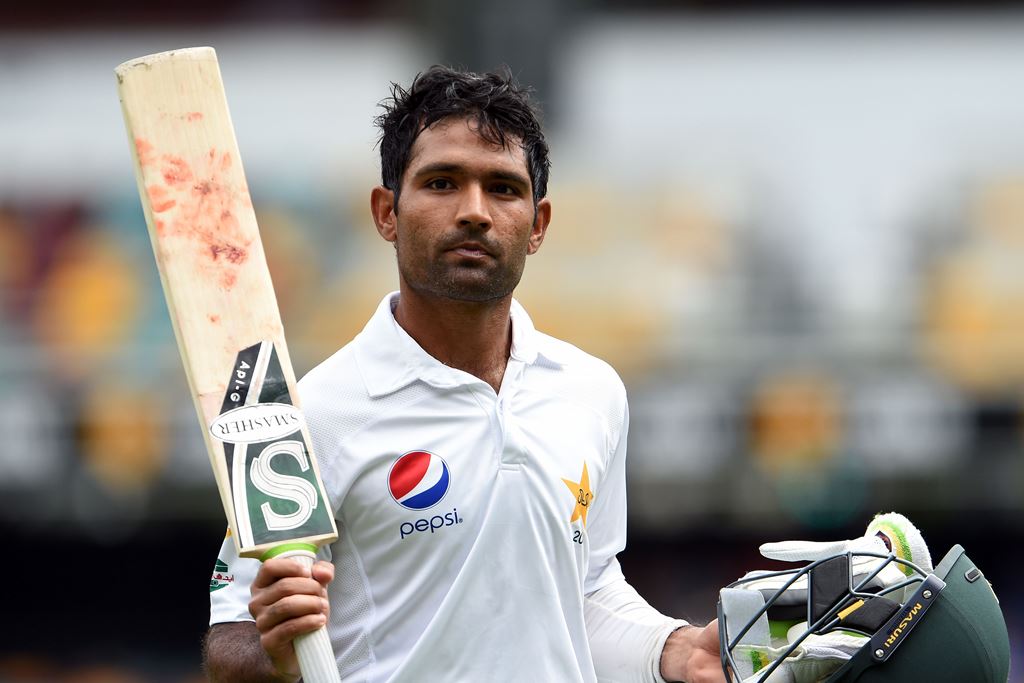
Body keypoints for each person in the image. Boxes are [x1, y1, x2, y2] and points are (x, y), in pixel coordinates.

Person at [203, 65, 725, 683]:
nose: (475, 212)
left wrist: (675, 650)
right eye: (442, 182)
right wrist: (276, 647)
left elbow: (581, 593)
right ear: (386, 213)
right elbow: (227, 646)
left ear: (538, 225)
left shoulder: (592, 391)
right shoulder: (303, 416)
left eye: (503, 188)